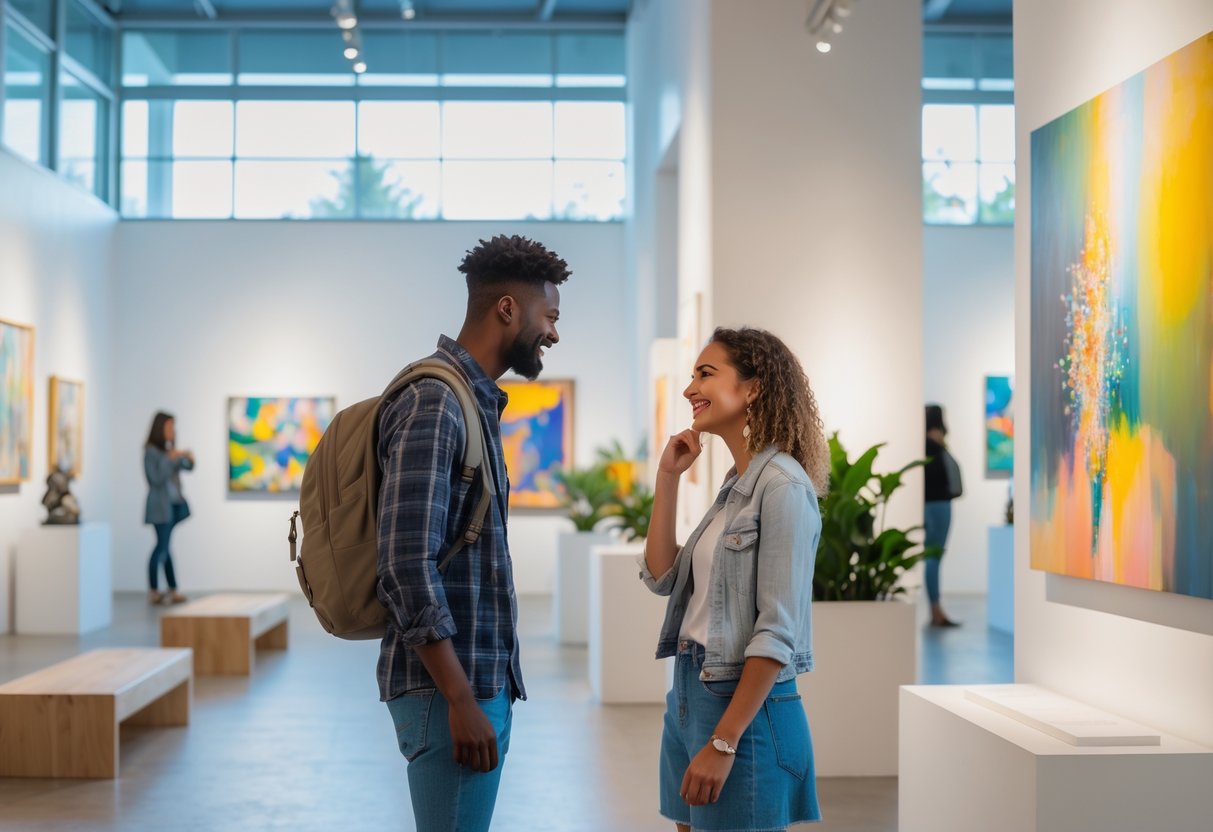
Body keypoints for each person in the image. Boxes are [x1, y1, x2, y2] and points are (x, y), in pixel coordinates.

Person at [377, 235, 568, 832]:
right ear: (507, 308)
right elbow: (406, 563)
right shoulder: (437, 402)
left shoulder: (471, 402)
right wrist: (461, 699)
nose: (555, 334)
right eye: (550, 316)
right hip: (447, 692)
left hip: (476, 683)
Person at [640, 326, 827, 832]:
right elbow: (661, 576)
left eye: (705, 374)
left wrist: (724, 741)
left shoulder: (784, 485)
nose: (688, 389)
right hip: (689, 693)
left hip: (743, 711)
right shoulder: (733, 488)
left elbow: (778, 630)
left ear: (752, 388)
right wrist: (668, 477)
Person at [144, 411, 194, 606]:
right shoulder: (151, 452)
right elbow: (154, 478)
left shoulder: (168, 451)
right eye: (169, 427)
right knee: (161, 548)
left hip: (173, 506)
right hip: (159, 508)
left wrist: (187, 458)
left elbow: (186, 467)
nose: (172, 431)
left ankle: (171, 590)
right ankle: (154, 590)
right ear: (160, 428)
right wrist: (169, 458)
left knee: (165, 547)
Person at [924, 404, 962, 627]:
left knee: (931, 557)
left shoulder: (919, 443)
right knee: (934, 557)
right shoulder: (936, 442)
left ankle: (935, 607)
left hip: (927, 504)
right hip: (939, 505)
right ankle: (936, 609)